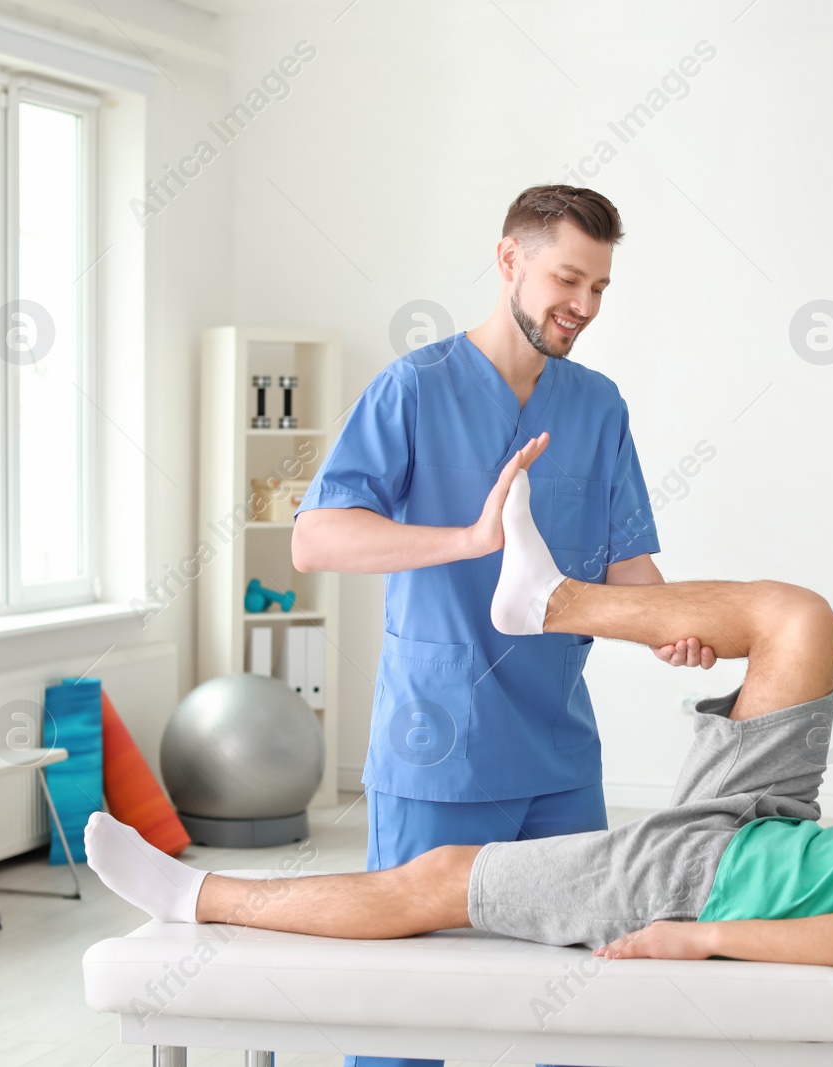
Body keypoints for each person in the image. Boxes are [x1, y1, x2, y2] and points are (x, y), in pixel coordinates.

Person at [89, 459, 833, 975]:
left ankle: (199, 896)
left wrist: (701, 939)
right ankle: (549, 598)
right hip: (774, 825)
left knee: (440, 876)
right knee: (797, 618)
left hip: (716, 880)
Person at [291, 185, 708, 1067]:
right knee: (408, 1014)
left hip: (557, 757)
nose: (584, 308)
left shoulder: (596, 407)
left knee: (571, 1006)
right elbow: (316, 537)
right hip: (437, 752)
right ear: (509, 259)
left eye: (599, 288)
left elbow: (628, 566)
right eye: (567, 279)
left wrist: (675, 626)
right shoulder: (414, 388)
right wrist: (469, 539)